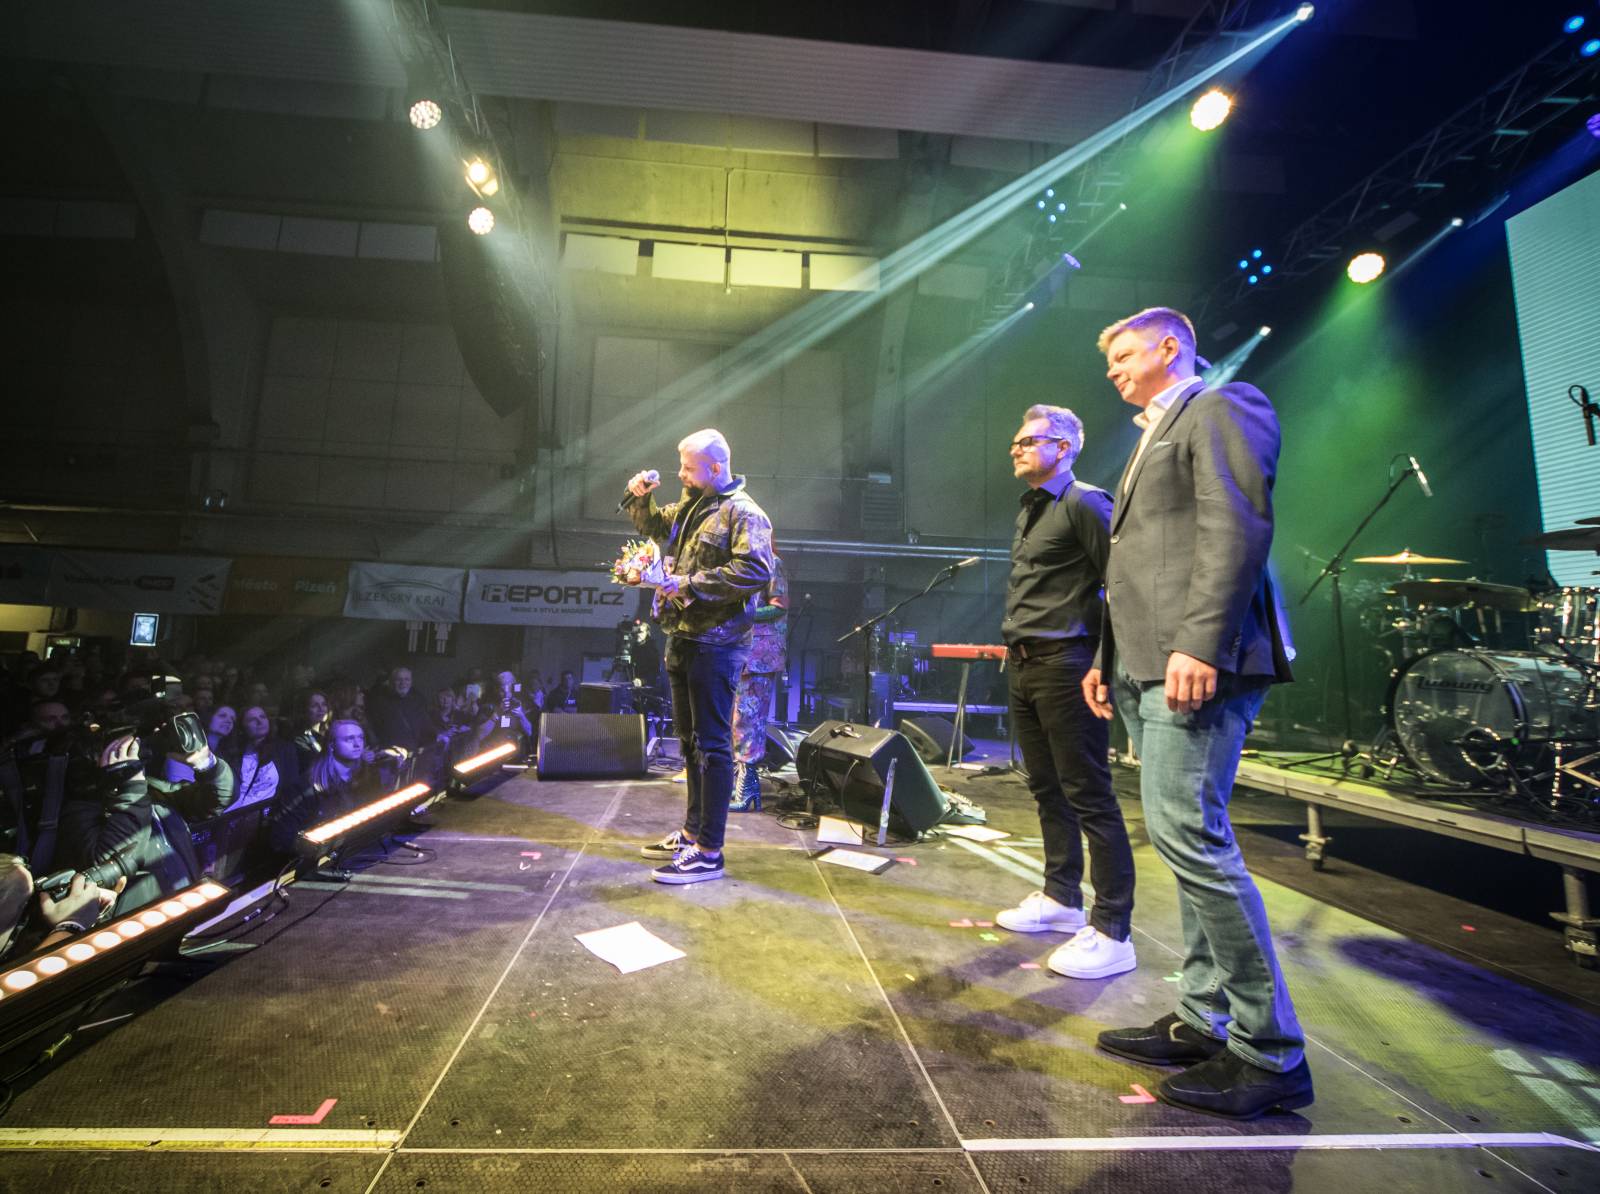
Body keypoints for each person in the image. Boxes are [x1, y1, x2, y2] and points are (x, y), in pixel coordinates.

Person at [1081, 307, 1309, 1119]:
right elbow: (1138, 562)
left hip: (1194, 658)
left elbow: (1235, 528)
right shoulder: (1155, 428)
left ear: (1170, 346)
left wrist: (1202, 645)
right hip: (1147, 660)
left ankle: (1269, 1051)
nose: (1113, 368)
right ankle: (1206, 1018)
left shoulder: (1221, 404)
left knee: (1191, 837)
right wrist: (1111, 661)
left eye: (1125, 353)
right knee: (1184, 841)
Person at [996, 404, 1137, 980]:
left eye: (1029, 440)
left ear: (1065, 447)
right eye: (1016, 441)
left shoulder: (1085, 502)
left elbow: (1122, 586)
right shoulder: (1031, 509)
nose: (1017, 448)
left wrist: (1104, 662)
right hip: (1026, 664)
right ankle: (1060, 898)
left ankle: (1112, 928)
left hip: (1068, 663)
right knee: (1047, 789)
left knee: (1089, 796)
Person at [623, 428, 774, 884]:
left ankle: (710, 850)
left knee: (711, 745)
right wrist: (640, 500)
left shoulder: (744, 514)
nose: (680, 475)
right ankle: (693, 833)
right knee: (689, 744)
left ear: (715, 467)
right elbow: (655, 527)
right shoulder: (694, 504)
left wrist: (686, 585)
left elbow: (755, 569)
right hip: (682, 634)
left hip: (718, 643)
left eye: (688, 468)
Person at [729, 555, 789, 812]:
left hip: (761, 654)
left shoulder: (772, 563)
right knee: (737, 719)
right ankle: (740, 779)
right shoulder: (739, 564)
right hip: (742, 652)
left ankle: (749, 785)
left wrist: (742, 614)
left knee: (748, 718)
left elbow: (779, 605)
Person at [367, 666, 430, 751]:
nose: (403, 683)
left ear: (411, 682)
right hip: (390, 753)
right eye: (398, 679)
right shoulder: (379, 702)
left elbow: (425, 724)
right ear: (391, 682)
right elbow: (373, 728)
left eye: (406, 679)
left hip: (414, 750)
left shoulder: (418, 700)